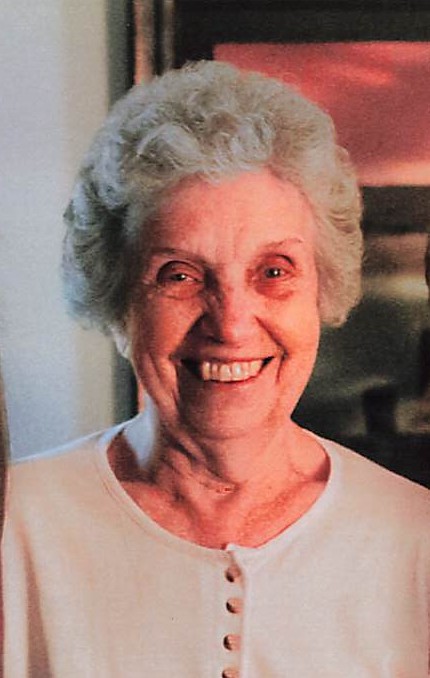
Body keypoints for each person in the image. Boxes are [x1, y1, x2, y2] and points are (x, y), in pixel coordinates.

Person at [3, 61, 430, 677]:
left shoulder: (416, 540)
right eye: (179, 275)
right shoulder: (13, 526)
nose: (230, 325)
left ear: (322, 288)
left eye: (274, 272)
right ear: (118, 300)